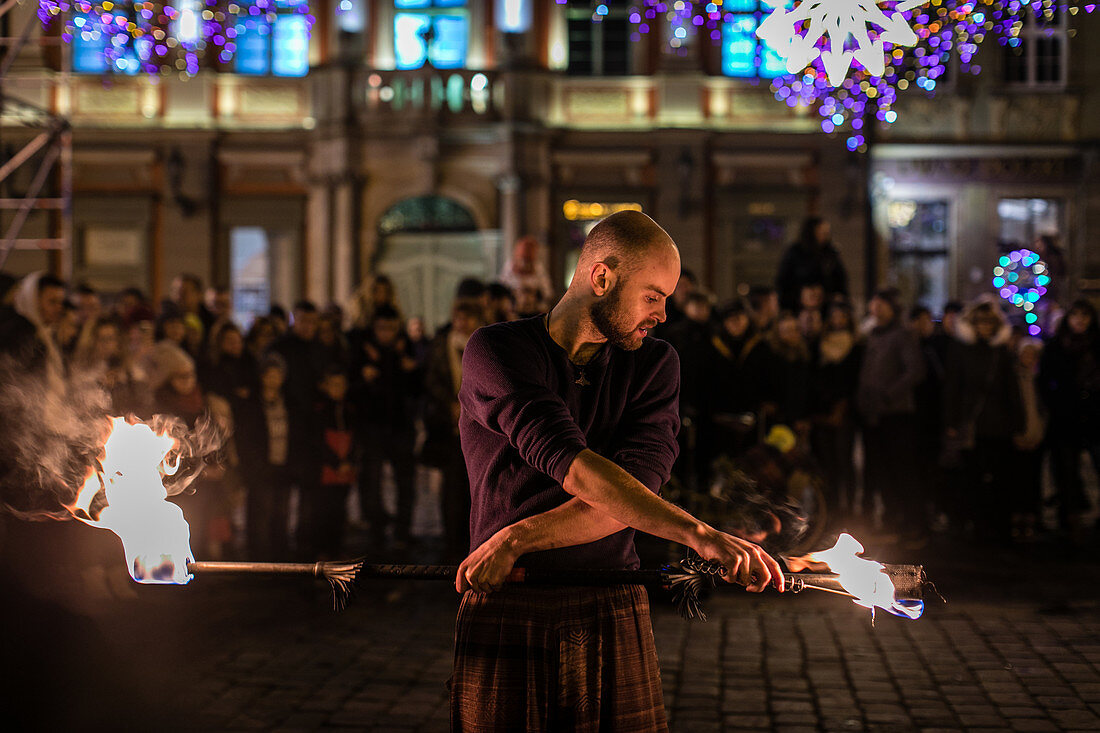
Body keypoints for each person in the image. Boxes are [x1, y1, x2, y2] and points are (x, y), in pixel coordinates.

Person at [450, 210, 784, 731]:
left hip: (610, 594)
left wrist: (517, 537)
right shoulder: (497, 350)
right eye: (653, 296)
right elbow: (572, 465)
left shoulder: (655, 364)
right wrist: (698, 534)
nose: (663, 315)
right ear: (601, 277)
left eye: (668, 299)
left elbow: (632, 491)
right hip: (512, 595)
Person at [943, 300, 1022, 543]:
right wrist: (952, 422)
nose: (984, 327)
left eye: (989, 322)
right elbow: (953, 388)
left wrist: (1017, 424)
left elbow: (1012, 389)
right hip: (972, 427)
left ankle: (999, 526)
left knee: (1000, 478)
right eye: (980, 322)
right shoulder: (962, 351)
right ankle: (975, 526)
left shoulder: (1001, 353)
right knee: (972, 478)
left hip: (999, 426)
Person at [856, 288, 925, 538]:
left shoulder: (903, 334)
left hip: (896, 414)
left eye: (881, 304)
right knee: (882, 472)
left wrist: (889, 394)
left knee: (902, 471)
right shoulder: (872, 335)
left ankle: (913, 524)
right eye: (874, 304)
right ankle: (893, 521)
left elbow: (915, 370)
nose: (876, 309)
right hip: (874, 415)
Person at [1038, 299, 1100, 531]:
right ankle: (1069, 518)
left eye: (1085, 315)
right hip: (1066, 419)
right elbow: (1044, 381)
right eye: (1076, 315)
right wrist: (1057, 404)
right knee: (1066, 471)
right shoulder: (1056, 346)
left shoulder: (1096, 346)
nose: (1080, 320)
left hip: (1094, 417)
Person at [776, 217, 848, 312]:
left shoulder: (830, 253)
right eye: (821, 231)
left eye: (826, 231)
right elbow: (783, 280)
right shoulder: (795, 252)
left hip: (826, 307)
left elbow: (840, 279)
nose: (825, 234)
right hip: (797, 306)